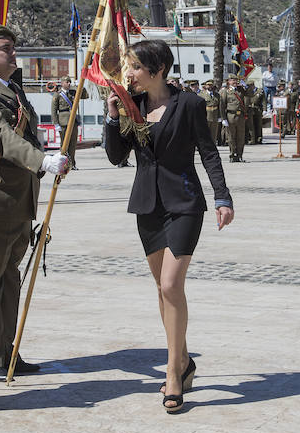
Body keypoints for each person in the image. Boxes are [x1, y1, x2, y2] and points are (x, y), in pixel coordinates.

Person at [103, 39, 233, 413]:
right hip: (148, 206)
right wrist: (113, 116)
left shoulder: (189, 103)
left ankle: (173, 373)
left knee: (172, 284)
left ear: (158, 70)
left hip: (184, 203)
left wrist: (222, 196)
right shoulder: (132, 105)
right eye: (129, 67)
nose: (129, 74)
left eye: (135, 67)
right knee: (162, 289)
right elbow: (116, 156)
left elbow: (208, 151)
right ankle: (184, 359)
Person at [0, 23, 70, 383]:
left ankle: (8, 351)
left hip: (19, 200)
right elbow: (0, 136)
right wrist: (42, 161)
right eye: (5, 48)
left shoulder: (13, 90)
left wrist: (47, 160)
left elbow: (26, 136)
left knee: (10, 280)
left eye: (13, 47)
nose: (13, 53)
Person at [51, 75, 89, 170]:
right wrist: (56, 124)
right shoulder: (57, 95)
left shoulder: (73, 92)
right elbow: (53, 111)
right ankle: (63, 164)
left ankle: (72, 164)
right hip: (63, 122)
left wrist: (80, 86)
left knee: (73, 144)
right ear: (62, 83)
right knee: (64, 145)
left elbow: (85, 96)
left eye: (69, 82)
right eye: (67, 82)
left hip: (73, 121)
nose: (69, 84)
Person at [219, 73, 248, 162]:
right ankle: (232, 155)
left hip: (240, 117)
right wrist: (223, 118)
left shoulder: (241, 90)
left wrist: (246, 86)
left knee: (241, 137)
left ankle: (240, 155)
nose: (235, 82)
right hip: (230, 116)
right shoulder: (225, 91)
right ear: (229, 81)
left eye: (236, 80)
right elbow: (222, 106)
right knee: (231, 137)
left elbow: (249, 94)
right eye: (233, 80)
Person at [199, 79, 221, 144]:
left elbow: (219, 106)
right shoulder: (201, 94)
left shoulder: (217, 95)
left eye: (211, 85)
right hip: (206, 116)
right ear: (205, 86)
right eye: (208, 85)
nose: (210, 86)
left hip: (215, 116)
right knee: (205, 133)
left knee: (214, 133)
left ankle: (213, 146)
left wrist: (220, 116)